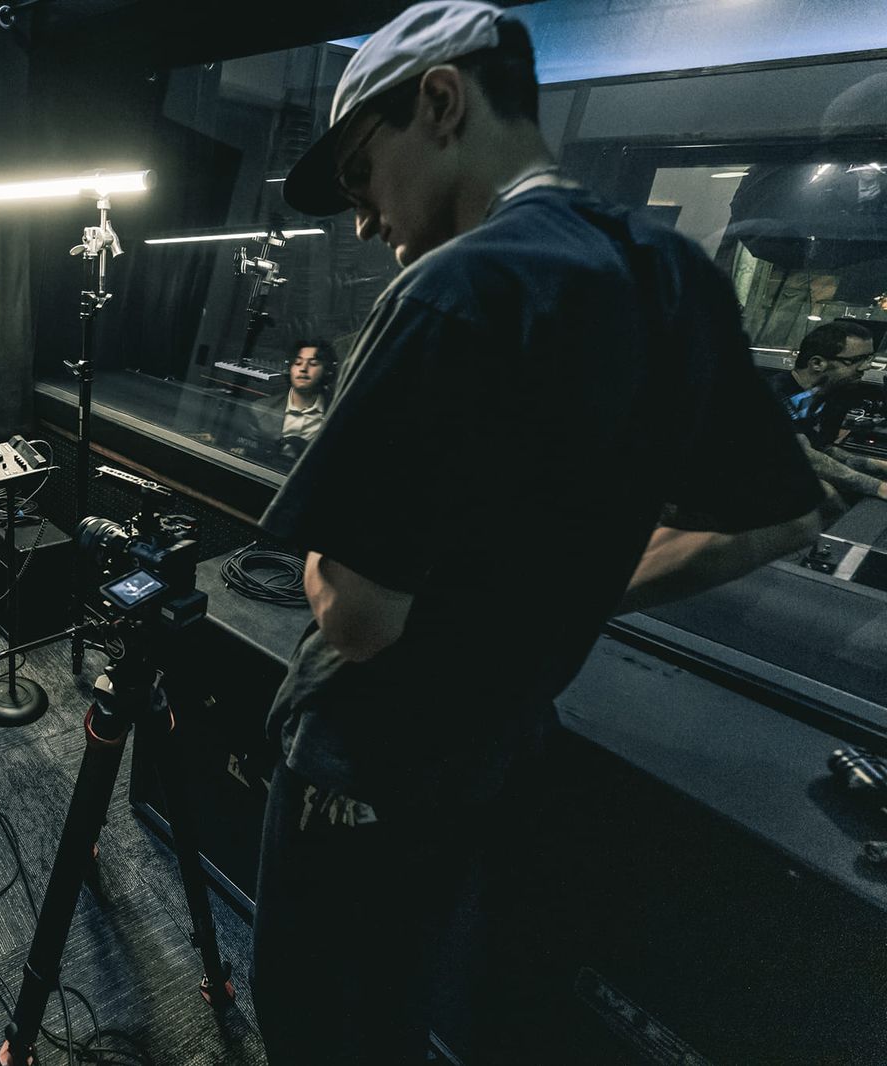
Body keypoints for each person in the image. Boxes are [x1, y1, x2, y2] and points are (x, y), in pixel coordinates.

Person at [251, 4, 822, 1063]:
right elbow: (779, 515)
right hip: (496, 747)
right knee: (399, 1005)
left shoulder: (453, 288)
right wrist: (556, 590)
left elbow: (358, 616)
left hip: (363, 761)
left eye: (361, 173)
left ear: (440, 101)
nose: (364, 221)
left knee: (310, 1015)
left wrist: (332, 525)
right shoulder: (672, 274)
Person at [768, 320, 887, 515]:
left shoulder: (830, 396)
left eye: (869, 358)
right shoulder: (770, 397)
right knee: (825, 492)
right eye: (857, 359)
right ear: (817, 363)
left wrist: (879, 465)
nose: (866, 367)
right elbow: (806, 457)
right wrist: (879, 488)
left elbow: (823, 449)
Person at [243, 340, 336, 464]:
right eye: (298, 363)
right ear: (290, 369)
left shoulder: (336, 414)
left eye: (313, 364)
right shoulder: (259, 409)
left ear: (327, 371)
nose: (303, 369)